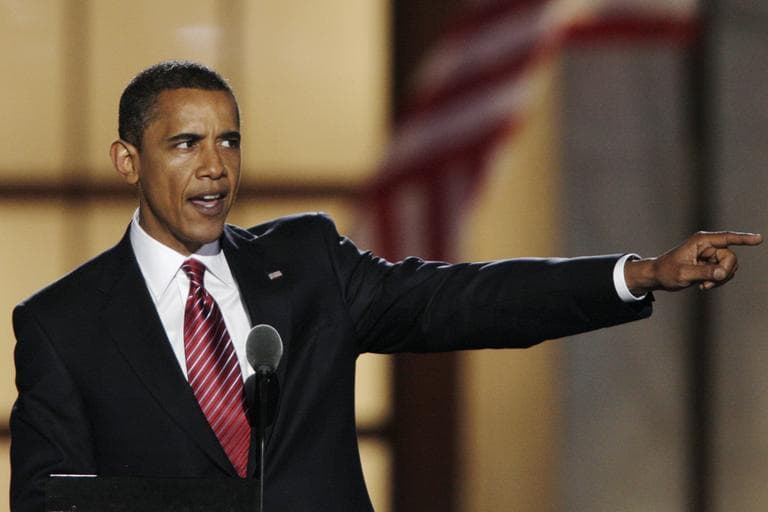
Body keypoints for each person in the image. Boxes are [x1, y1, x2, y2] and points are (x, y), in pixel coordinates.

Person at [9, 60, 762, 512]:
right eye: (185, 143)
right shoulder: (62, 325)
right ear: (127, 161)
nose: (216, 166)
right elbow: (51, 504)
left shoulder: (306, 262)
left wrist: (639, 274)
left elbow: (460, 301)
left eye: (229, 139)